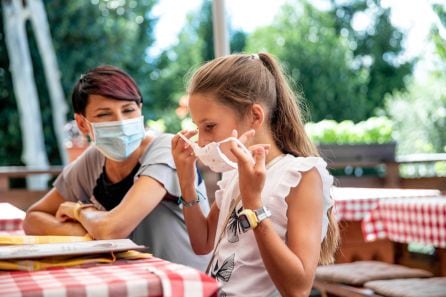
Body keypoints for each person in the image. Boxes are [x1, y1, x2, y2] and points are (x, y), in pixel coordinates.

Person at [171, 53, 339, 296]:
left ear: (255, 116)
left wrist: (254, 204)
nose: (203, 139)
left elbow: (298, 288)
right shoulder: (235, 172)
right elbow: (203, 242)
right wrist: (186, 181)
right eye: (198, 128)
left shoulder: (300, 175)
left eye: (209, 126)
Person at [23, 65, 211, 270]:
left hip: (185, 284)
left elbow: (113, 230)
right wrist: (90, 233)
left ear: (140, 109)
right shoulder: (93, 159)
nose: (121, 122)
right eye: (105, 114)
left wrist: (79, 211)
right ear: (82, 124)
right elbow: (33, 219)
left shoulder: (167, 149)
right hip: (129, 282)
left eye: (128, 110)